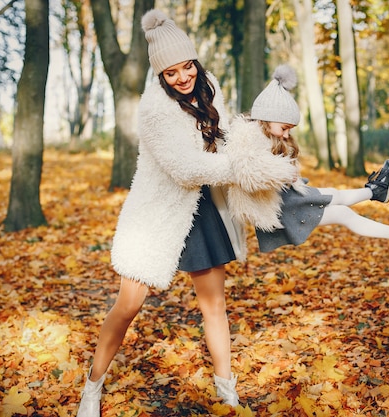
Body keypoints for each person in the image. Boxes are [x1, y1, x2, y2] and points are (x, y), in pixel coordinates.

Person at [75, 10, 298, 417]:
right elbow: (185, 168)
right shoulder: (154, 111)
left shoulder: (208, 87)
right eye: (171, 72)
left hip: (203, 210)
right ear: (160, 76)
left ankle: (226, 390)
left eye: (186, 66)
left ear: (196, 62)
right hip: (157, 214)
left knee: (214, 305)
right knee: (127, 307)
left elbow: (225, 139)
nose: (182, 77)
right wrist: (244, 169)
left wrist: (261, 141)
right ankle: (93, 387)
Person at [223, 65, 389, 253]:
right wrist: (285, 172)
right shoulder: (246, 139)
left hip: (287, 199)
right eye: (284, 128)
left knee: (334, 195)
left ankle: (375, 191)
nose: (287, 135)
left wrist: (287, 171)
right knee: (343, 214)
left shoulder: (267, 136)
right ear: (267, 118)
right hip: (282, 210)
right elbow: (250, 173)